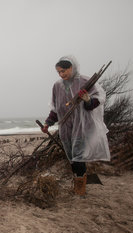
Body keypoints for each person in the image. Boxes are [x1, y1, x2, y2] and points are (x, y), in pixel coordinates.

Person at [41, 55, 110, 195]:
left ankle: (80, 189)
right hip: (66, 127)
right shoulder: (57, 86)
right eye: (59, 72)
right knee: (72, 157)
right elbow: (56, 109)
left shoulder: (85, 81)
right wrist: (48, 123)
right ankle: (78, 183)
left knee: (78, 156)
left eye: (64, 71)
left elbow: (97, 101)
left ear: (72, 67)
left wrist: (88, 100)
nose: (61, 74)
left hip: (83, 127)